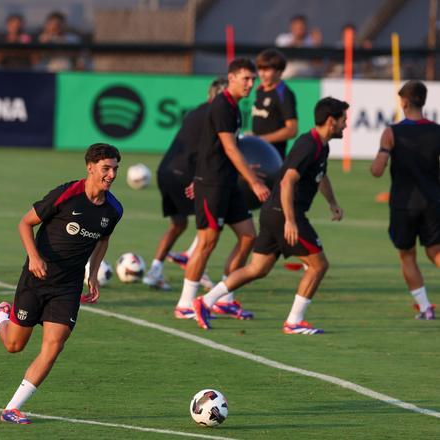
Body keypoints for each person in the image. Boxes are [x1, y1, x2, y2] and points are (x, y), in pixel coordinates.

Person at [0, 143, 123, 424]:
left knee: (54, 345)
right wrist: (34, 257)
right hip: (37, 279)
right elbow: (25, 223)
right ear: (90, 167)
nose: (111, 175)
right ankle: (1, 315)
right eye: (106, 168)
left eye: (115, 169)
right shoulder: (67, 194)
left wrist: (92, 274)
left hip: (68, 288)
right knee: (14, 346)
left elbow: (103, 239)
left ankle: (12, 408)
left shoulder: (114, 209)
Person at [192, 97, 347, 333]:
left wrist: (333, 203)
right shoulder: (308, 145)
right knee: (318, 265)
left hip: (272, 213)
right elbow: (287, 182)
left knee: (257, 269)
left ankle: (206, 301)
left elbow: (321, 175)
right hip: (284, 214)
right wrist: (291, 221)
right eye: (344, 119)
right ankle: (294, 321)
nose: (346, 124)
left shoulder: (321, 146)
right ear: (331, 121)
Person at [174, 58, 270, 324]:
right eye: (246, 78)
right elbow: (228, 148)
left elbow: (215, 147)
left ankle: (223, 300)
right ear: (231, 78)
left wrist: (243, 169)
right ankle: (185, 304)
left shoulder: (235, 107)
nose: (251, 84)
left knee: (249, 236)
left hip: (226, 183)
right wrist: (254, 182)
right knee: (207, 243)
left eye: (253, 79)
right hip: (213, 185)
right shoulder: (222, 106)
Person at [142, 79, 225, 292]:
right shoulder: (217, 115)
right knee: (209, 223)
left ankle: (154, 272)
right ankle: (194, 263)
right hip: (186, 174)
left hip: (166, 171)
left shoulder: (196, 111)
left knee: (178, 224)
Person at [371, 80, 439, 320]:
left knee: (407, 255)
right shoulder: (436, 130)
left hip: (403, 204)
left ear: (404, 102)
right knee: (435, 252)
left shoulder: (392, 132)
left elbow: (377, 170)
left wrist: (383, 152)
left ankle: (425, 308)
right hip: (433, 202)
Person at [251, 49, 298, 159]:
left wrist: (262, 139)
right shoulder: (260, 90)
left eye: (267, 70)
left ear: (279, 71)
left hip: (274, 155)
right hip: (257, 151)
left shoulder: (284, 94)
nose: (262, 74)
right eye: (260, 69)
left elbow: (292, 130)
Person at [275, 14, 322, 78]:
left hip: (306, 69)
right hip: (288, 68)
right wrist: (296, 42)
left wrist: (317, 45)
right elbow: (279, 58)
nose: (299, 29)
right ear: (291, 27)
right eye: (297, 27)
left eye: (302, 27)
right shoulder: (283, 38)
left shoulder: (310, 40)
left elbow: (316, 63)